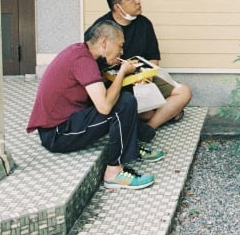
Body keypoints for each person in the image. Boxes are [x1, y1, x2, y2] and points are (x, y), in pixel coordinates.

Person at [27, 20, 164, 190]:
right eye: (120, 46)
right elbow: (105, 107)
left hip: (66, 121)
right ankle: (113, 172)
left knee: (122, 92)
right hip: (57, 134)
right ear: (104, 42)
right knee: (123, 103)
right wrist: (122, 72)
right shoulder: (83, 61)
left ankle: (133, 144)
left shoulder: (81, 51)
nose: (122, 52)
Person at [85, 0, 192, 129]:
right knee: (147, 113)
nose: (138, 1)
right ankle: (164, 114)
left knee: (184, 92)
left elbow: (153, 57)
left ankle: (149, 128)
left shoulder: (144, 24)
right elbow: (89, 66)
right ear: (117, 6)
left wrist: (146, 78)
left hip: (141, 79)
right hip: (115, 84)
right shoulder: (100, 29)